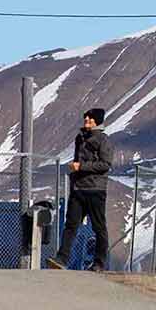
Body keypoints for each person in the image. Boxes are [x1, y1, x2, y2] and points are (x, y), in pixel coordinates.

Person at [45, 108, 113, 271]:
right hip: (78, 189)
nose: (87, 121)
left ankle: (99, 263)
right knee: (71, 225)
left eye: (90, 119)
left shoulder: (103, 140)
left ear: (97, 121)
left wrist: (81, 166)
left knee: (98, 228)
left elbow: (105, 165)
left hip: (95, 190)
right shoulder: (80, 138)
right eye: (86, 118)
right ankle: (61, 259)